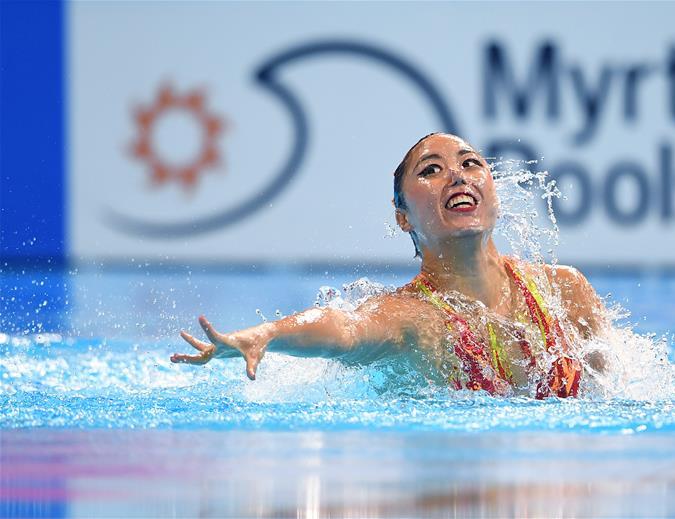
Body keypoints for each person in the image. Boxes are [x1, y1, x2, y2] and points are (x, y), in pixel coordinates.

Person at [171, 133, 607, 398]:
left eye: (470, 163)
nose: (457, 176)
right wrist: (268, 333)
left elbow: (613, 391)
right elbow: (346, 329)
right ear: (402, 218)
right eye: (430, 170)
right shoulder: (413, 318)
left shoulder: (564, 291)